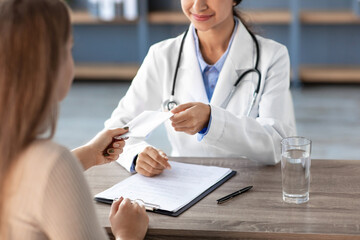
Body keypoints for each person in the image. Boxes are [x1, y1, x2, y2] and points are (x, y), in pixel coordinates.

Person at [0, 0, 148, 239]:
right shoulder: (51, 164)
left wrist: (89, 153)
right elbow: (44, 175)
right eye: (69, 48)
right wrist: (128, 234)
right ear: (47, 65)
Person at [105, 0, 296, 177]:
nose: (198, 6)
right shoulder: (162, 55)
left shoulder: (272, 57)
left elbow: (278, 144)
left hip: (249, 182)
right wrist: (137, 155)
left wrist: (211, 120)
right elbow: (116, 129)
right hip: (182, 181)